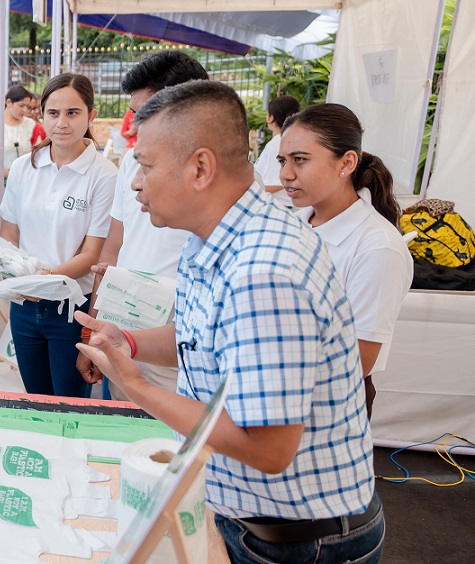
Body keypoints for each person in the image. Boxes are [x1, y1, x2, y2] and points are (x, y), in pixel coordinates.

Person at [76, 80, 383, 564]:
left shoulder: (263, 272)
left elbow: (268, 449)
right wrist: (128, 343)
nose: (134, 183)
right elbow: (205, 336)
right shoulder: (218, 236)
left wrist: (136, 386)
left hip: (295, 542)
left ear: (200, 167)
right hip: (253, 522)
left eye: (146, 166)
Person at [77, 50, 208, 396]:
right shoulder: (134, 165)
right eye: (133, 113)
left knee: (168, 443)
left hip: (180, 345)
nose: (133, 126)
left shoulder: (228, 184)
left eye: (143, 114)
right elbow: (114, 248)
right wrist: (95, 331)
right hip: (122, 329)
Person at [279, 103, 413, 419]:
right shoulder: (292, 225)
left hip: (329, 401)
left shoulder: (377, 247)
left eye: (300, 160)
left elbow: (358, 360)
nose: (285, 174)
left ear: (347, 162)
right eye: (283, 160)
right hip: (278, 386)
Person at [0, 73, 117, 398]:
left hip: (70, 310)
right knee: (36, 400)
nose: (61, 122)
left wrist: (40, 280)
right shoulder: (25, 167)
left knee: (68, 405)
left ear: (91, 116)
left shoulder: (104, 174)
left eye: (73, 113)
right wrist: (23, 280)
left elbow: (92, 254)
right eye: (53, 113)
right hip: (24, 306)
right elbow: (8, 233)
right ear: (42, 115)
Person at [0, 85, 47, 178]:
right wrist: (7, 175)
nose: (25, 110)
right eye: (21, 105)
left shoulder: (34, 127)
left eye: (27, 106)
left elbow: (40, 156)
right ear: (8, 102)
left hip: (25, 182)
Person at [254, 94, 301, 207]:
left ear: (270, 118)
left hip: (280, 205)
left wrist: (248, 191)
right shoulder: (294, 140)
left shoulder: (277, 144)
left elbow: (276, 183)